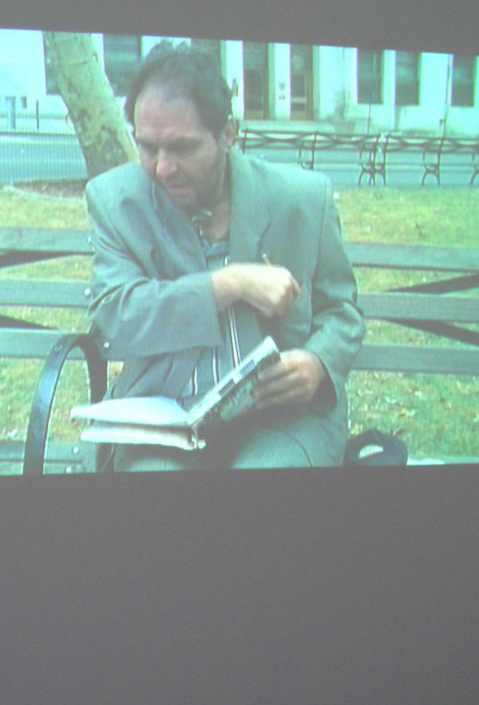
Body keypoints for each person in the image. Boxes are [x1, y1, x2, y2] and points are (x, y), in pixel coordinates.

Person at [84, 41, 365, 470]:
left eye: (182, 148)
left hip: (283, 419)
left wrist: (318, 363)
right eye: (148, 147)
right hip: (163, 419)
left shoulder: (304, 200)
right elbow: (116, 317)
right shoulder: (115, 201)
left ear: (228, 134)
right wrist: (229, 284)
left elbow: (341, 311)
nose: (162, 168)